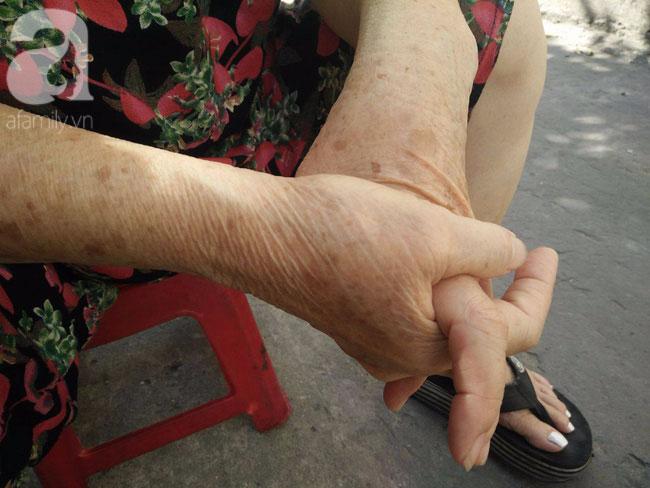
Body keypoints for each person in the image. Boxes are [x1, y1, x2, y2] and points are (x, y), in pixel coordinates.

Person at [0, 0, 590, 485]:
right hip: (33, 215)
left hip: (228, 92)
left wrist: (417, 84)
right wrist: (273, 234)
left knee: (496, 23)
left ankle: (440, 321)